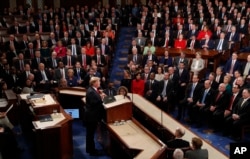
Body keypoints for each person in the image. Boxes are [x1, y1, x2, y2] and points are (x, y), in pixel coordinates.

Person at [85, 77, 106, 156]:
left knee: (90, 134)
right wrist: (102, 98)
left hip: (92, 116)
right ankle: (92, 151)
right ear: (94, 83)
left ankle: (91, 149)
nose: (100, 82)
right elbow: (94, 103)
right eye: (98, 81)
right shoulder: (91, 92)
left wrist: (100, 95)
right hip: (91, 117)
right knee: (90, 135)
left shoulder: (93, 90)